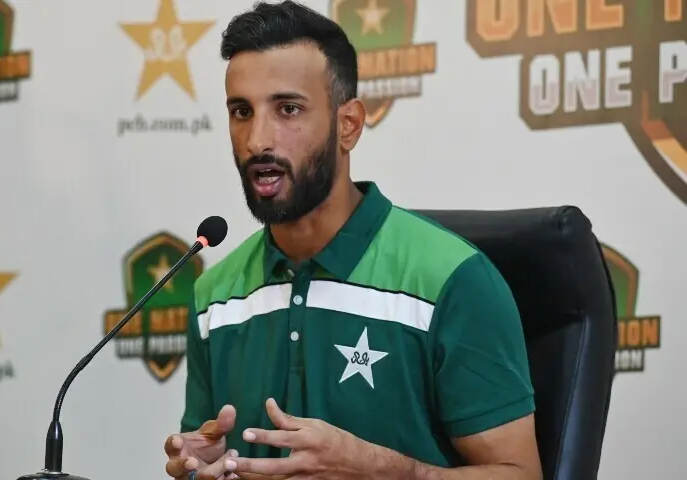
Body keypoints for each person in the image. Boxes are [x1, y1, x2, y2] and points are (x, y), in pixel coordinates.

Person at [164, 1, 543, 479]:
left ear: (349, 125)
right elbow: (205, 452)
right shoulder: (213, 294)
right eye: (241, 111)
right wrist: (201, 465)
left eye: (288, 109)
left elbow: (520, 474)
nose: (258, 139)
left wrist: (379, 470)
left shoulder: (453, 280)